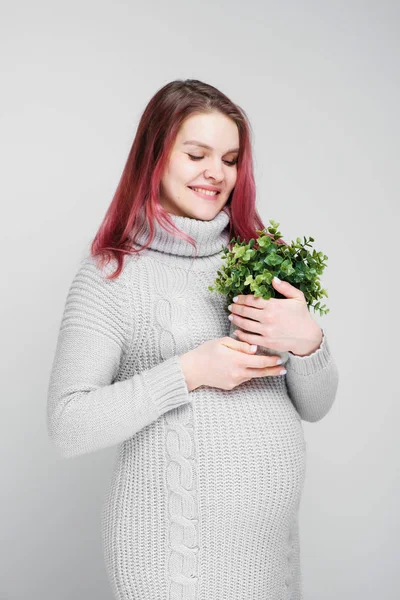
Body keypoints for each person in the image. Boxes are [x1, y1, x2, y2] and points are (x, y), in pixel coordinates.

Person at [47, 79, 339, 599]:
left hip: (270, 552)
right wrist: (188, 373)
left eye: (229, 159)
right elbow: (68, 424)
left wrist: (308, 341)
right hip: (173, 551)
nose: (216, 173)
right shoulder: (111, 276)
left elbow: (315, 406)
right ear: (154, 157)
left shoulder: (256, 261)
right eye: (197, 154)